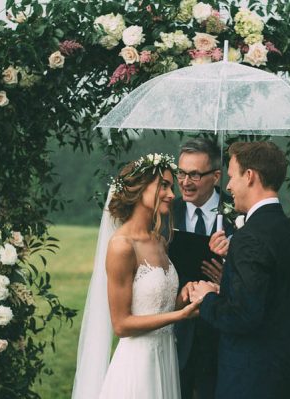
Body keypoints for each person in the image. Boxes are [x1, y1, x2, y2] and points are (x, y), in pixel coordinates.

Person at [72, 153, 200, 399]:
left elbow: (155, 308)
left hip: (165, 358)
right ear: (139, 189)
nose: (172, 194)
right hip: (138, 365)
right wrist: (180, 315)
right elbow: (121, 324)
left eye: (171, 187)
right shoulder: (122, 246)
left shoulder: (160, 241)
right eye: (164, 185)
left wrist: (181, 300)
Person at [192, 141, 290, 398]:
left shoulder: (249, 237)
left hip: (250, 377)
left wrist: (206, 297)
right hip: (283, 372)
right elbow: (271, 295)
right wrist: (227, 287)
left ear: (250, 176)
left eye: (232, 176)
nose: (228, 186)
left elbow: (243, 316)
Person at [170, 138, 234, 399]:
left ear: (216, 176)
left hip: (222, 337)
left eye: (195, 174)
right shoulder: (167, 211)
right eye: (181, 173)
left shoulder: (236, 213)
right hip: (178, 333)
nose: (185, 182)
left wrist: (227, 278)